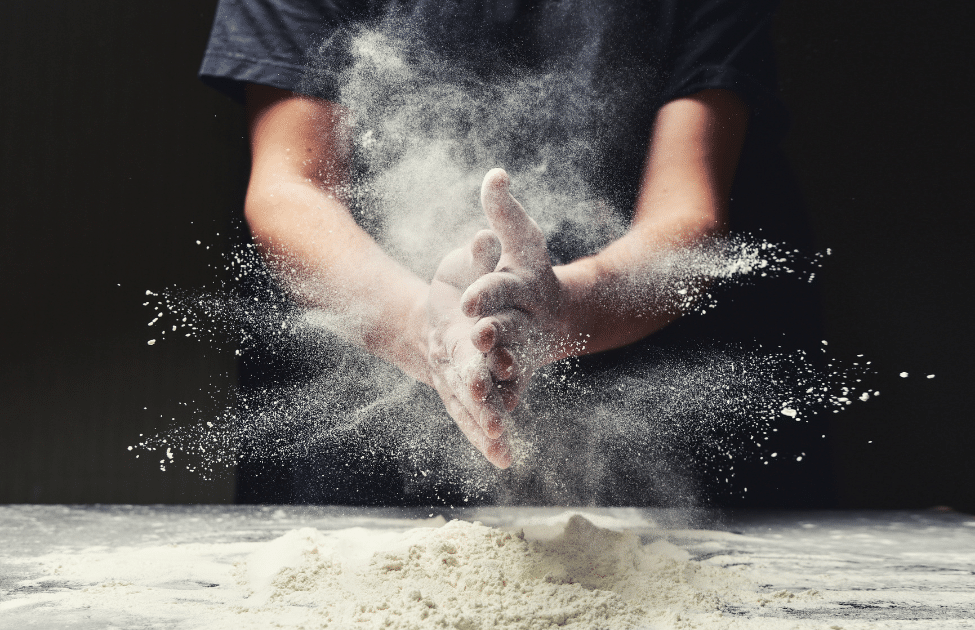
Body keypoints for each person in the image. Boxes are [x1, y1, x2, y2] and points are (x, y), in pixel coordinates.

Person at [201, 0, 834, 507]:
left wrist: (564, 308)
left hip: (649, 373)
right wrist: (429, 330)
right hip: (370, 411)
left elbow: (687, 213)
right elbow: (292, 190)